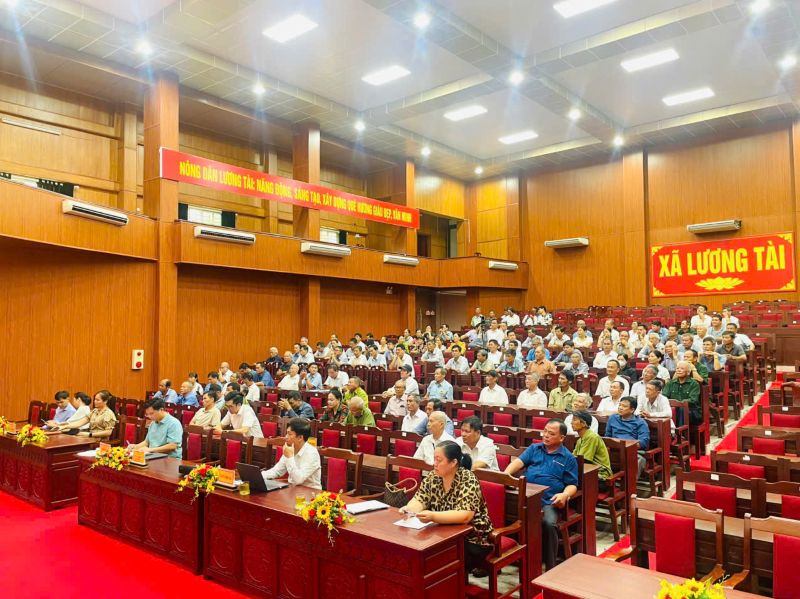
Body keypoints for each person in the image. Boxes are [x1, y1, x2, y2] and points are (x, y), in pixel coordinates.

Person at [402, 440, 493, 574]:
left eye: (439, 460)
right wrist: (409, 509)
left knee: (435, 561)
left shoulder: (468, 479)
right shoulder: (434, 476)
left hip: (472, 540)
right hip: (442, 534)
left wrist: (433, 516)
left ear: (453, 462)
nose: (434, 463)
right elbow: (420, 498)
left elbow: (465, 516)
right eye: (434, 459)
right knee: (415, 549)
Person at [504, 419, 578, 571]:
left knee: (549, 524)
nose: (546, 435)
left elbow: (572, 484)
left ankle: (550, 566)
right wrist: (506, 475)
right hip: (524, 496)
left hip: (548, 501)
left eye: (551, 433)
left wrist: (564, 495)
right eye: (545, 431)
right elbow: (518, 463)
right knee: (499, 511)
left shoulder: (568, 458)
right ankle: (502, 555)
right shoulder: (534, 448)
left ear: (562, 438)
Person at [262, 417, 321, 489]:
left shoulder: (312, 453)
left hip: (310, 492)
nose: (286, 437)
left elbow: (298, 480)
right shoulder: (290, 447)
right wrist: (259, 476)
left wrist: (290, 457)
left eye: (289, 434)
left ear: (300, 437)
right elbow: (277, 471)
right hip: (293, 490)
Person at [605, 397, 649, 478]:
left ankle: (631, 484)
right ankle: (604, 481)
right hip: (614, 450)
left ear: (632, 410)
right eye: (620, 405)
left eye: (624, 406)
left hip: (632, 451)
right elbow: (607, 436)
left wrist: (628, 446)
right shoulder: (613, 418)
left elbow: (644, 442)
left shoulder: (641, 423)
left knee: (639, 459)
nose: (620, 408)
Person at [572, 410, 612, 491]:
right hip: (587, 473)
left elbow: (583, 460)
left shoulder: (591, 437)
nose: (571, 423)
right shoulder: (580, 440)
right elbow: (573, 457)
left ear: (584, 423)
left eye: (574, 420)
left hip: (600, 477)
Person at [663, 361, 702, 425]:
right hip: (673, 408)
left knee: (681, 409)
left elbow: (693, 400)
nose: (679, 370)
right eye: (677, 368)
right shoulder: (670, 383)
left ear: (688, 372)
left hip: (691, 410)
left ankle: (681, 430)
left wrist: (678, 404)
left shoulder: (694, 384)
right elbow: (664, 397)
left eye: (682, 368)